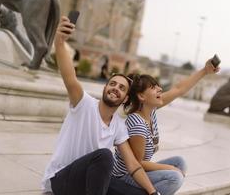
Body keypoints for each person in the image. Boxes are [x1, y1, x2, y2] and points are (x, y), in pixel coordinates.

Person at [42, 16, 161, 195]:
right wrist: (59, 41)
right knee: (105, 156)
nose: (115, 89)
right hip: (61, 181)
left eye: (121, 88)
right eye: (112, 84)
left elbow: (133, 164)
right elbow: (69, 76)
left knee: (140, 193)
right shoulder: (84, 104)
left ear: (125, 98)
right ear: (105, 87)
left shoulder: (118, 125)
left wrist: (153, 193)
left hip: (88, 183)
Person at [112, 60, 219, 195]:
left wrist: (205, 71)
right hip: (125, 177)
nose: (160, 89)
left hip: (137, 171)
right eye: (153, 88)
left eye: (158, 86)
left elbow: (178, 89)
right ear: (141, 96)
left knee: (179, 163)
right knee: (175, 177)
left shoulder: (150, 111)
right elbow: (137, 164)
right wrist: (169, 168)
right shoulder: (137, 124)